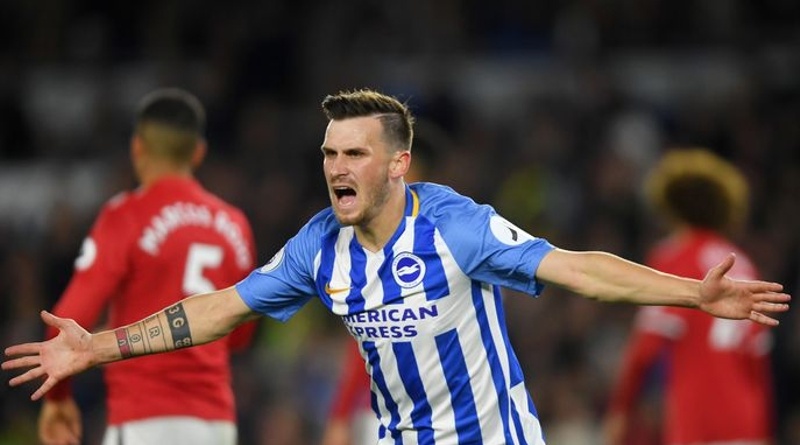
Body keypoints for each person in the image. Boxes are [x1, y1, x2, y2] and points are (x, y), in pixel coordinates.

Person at [3, 89, 790, 445]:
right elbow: (217, 307)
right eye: (328, 154)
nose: (336, 166)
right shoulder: (318, 244)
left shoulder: (458, 224)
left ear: (397, 165)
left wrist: (694, 293)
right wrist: (97, 347)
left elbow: (577, 268)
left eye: (354, 153)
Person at [32, 88, 257, 445]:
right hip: (216, 424)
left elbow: (68, 319)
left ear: (137, 147)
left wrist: (57, 400)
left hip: (145, 420)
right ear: (198, 152)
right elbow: (241, 335)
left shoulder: (125, 216)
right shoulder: (235, 225)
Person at [603, 148, 776, 445]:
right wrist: (764, 430)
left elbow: (645, 347)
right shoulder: (744, 265)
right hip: (748, 425)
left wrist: (620, 411)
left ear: (671, 206)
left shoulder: (675, 256)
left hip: (700, 424)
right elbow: (758, 363)